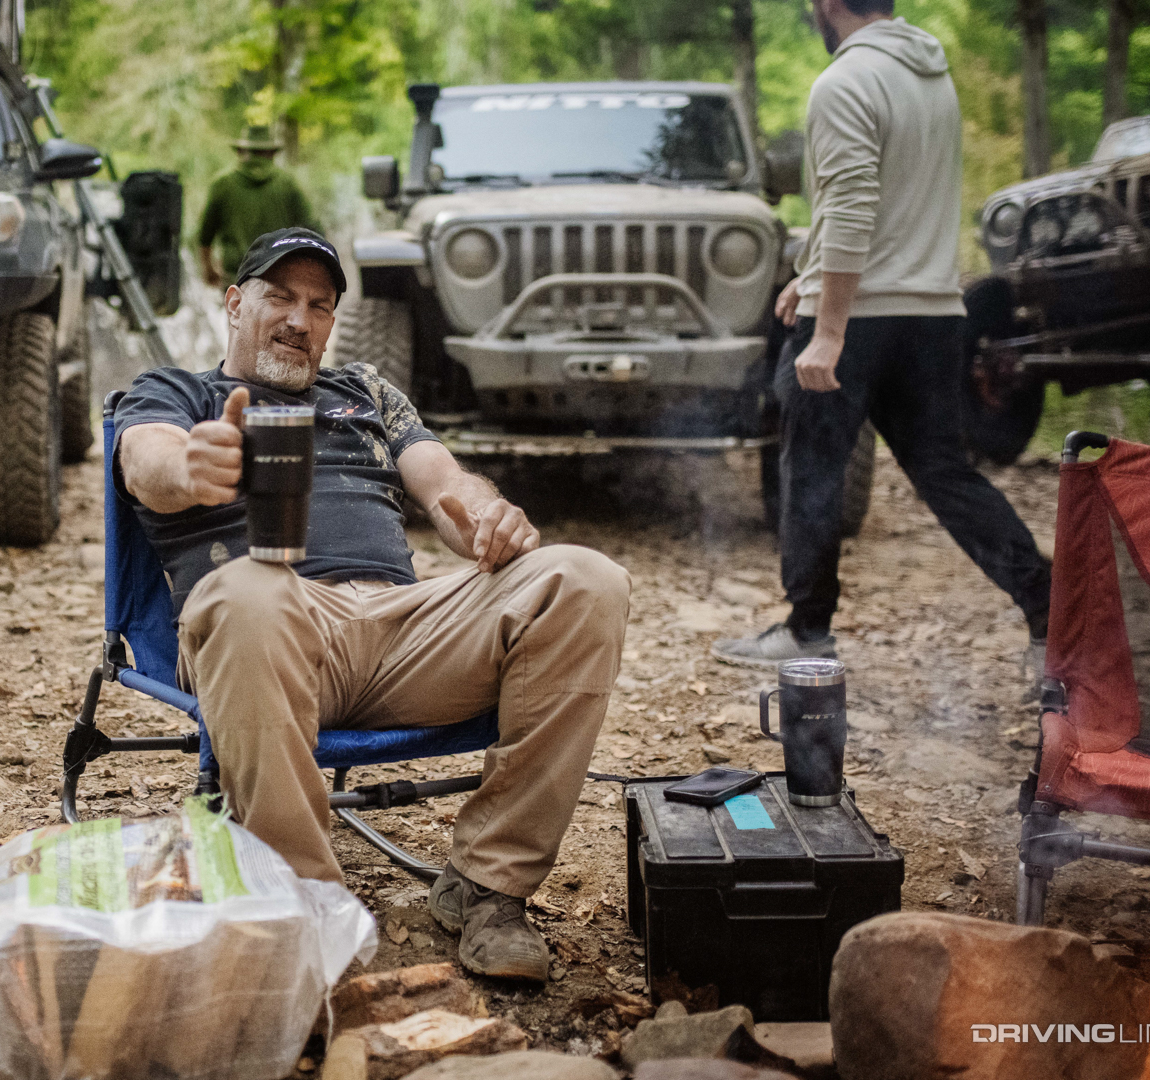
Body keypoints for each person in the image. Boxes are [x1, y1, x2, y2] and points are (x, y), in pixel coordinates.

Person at [112, 227, 631, 983]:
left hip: (404, 628)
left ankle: (487, 890)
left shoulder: (367, 395)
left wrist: (485, 516)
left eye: (320, 305)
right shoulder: (178, 393)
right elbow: (144, 461)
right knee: (251, 587)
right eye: (280, 297)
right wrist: (192, 464)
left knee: (585, 578)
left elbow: (446, 485)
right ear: (233, 303)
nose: (300, 318)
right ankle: (305, 908)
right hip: (269, 628)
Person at [711, 0, 1051, 688]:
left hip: (858, 316)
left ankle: (807, 629)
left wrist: (827, 329)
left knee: (812, 469)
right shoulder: (931, 76)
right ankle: (1050, 608)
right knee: (945, 472)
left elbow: (857, 204)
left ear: (829, 4)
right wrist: (806, 277)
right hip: (932, 311)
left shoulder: (844, 82)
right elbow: (877, 200)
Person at [196, 126, 321, 289]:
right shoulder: (288, 184)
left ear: (241, 152)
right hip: (281, 277)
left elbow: (205, 235)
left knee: (239, 313)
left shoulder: (222, 184)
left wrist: (208, 269)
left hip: (237, 277)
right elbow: (313, 230)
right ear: (271, 153)